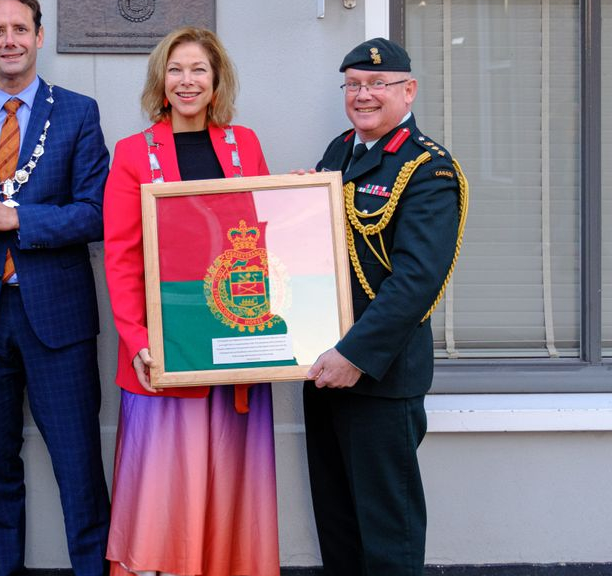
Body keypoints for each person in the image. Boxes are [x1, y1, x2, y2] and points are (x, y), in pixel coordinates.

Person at [0, 1, 111, 575]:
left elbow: (97, 214)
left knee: (79, 466)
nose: (9, 40)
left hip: (58, 320)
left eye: (19, 29)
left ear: (39, 36)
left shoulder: (79, 113)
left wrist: (21, 220)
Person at [103, 27, 280, 576]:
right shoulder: (134, 154)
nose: (187, 81)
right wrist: (137, 340)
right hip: (166, 351)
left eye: (198, 69)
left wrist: (298, 203)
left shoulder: (244, 144)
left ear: (216, 79)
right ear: (161, 80)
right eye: (176, 69)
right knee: (164, 491)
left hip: (235, 344)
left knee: (232, 482)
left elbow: (267, 241)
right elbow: (122, 256)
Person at [302, 38, 468, 576]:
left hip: (379, 375)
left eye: (377, 84)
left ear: (408, 90)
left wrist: (354, 353)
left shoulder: (428, 170)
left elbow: (416, 282)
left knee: (387, 534)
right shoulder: (338, 151)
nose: (363, 95)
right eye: (353, 84)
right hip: (323, 368)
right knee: (339, 524)